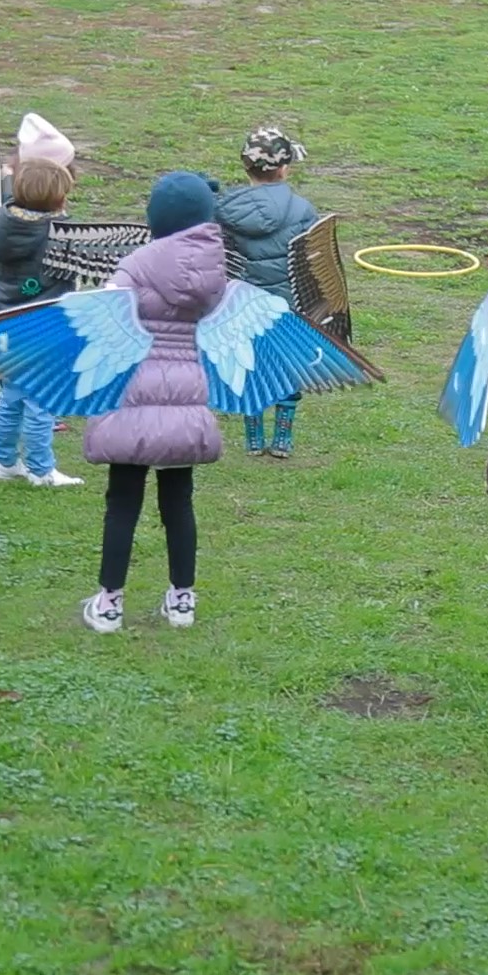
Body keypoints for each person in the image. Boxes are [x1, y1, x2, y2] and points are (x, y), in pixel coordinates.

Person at [79, 173, 226, 633]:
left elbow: (104, 320)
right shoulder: (214, 272)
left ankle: (109, 604)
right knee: (179, 501)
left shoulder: (136, 266)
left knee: (123, 501)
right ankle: (182, 601)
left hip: (134, 400)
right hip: (186, 399)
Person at [0, 114, 86, 487]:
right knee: (42, 400)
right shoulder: (59, 235)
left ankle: (3, 461)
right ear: (59, 197)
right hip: (44, 330)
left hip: (5, 326)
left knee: (11, 396)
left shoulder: (3, 222)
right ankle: (41, 469)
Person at [216, 126, 319, 458]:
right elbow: (312, 262)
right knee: (287, 365)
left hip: (242, 307)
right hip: (288, 306)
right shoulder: (303, 209)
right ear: (285, 168)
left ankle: (253, 439)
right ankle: (282, 440)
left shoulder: (225, 209)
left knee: (249, 365)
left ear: (246, 166)